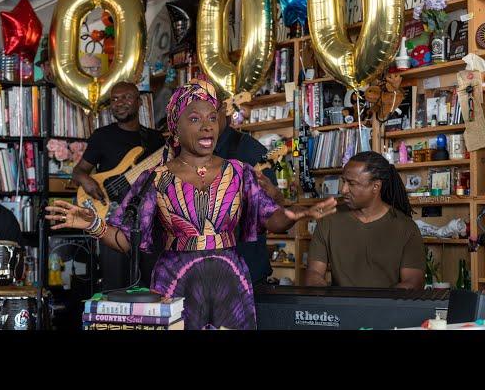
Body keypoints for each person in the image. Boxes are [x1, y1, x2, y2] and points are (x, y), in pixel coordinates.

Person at [46, 80, 336, 330]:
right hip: (175, 282)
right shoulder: (154, 178)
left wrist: (294, 214)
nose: (207, 125)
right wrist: (93, 224)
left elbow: (271, 220)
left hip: (230, 280)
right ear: (175, 126)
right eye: (195, 119)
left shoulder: (240, 171)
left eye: (212, 117)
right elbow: (126, 240)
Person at [71, 81, 165, 291]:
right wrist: (87, 180)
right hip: (112, 223)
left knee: (152, 287)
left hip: (148, 224)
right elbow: (78, 171)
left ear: (139, 102)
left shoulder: (154, 139)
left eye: (126, 98)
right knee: (114, 288)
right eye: (114, 99)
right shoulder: (102, 136)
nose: (119, 103)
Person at [305, 151, 425, 289]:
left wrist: (375, 307)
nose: (343, 190)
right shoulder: (328, 220)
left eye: (352, 183)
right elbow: (313, 273)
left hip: (388, 308)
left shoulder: (406, 227)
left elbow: (413, 282)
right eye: (343, 181)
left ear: (376, 186)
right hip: (339, 308)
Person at [215, 101, 285, 286]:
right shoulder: (186, 151)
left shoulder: (250, 150)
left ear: (224, 111)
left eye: (211, 113)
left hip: (244, 273)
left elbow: (271, 213)